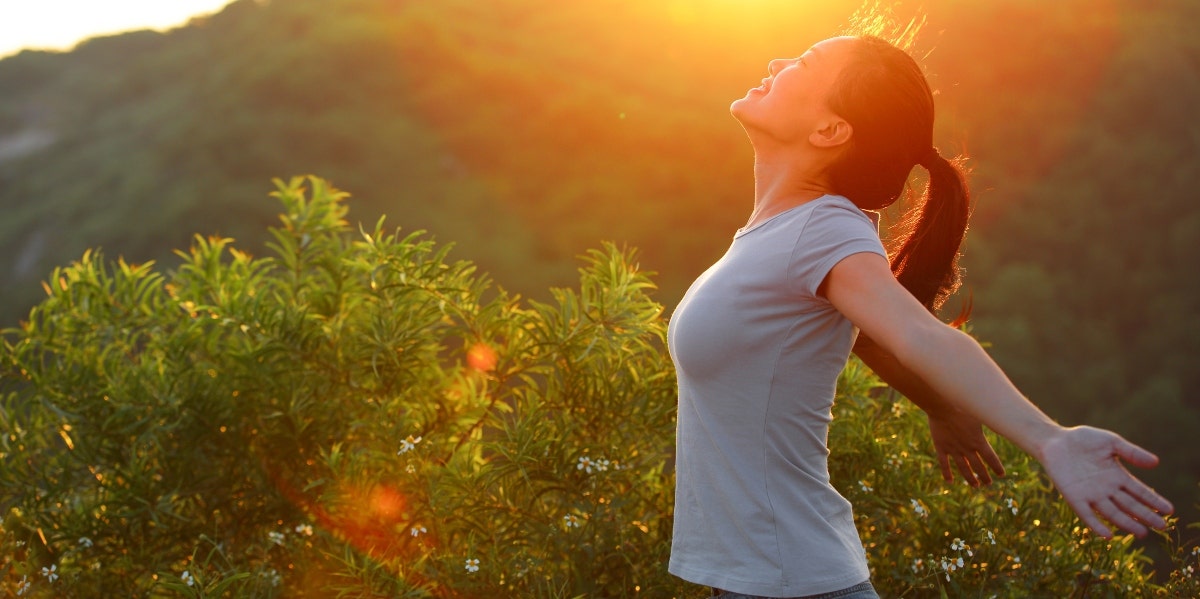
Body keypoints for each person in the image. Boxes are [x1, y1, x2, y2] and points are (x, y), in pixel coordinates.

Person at [666, 33, 1174, 599]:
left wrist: (1049, 439)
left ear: (830, 131)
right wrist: (938, 404)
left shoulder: (824, 230)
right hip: (760, 578)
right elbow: (866, 337)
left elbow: (916, 333)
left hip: (791, 581)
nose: (776, 63)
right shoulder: (785, 233)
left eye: (802, 64)